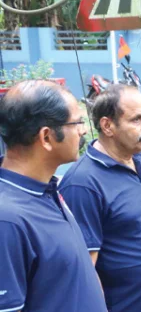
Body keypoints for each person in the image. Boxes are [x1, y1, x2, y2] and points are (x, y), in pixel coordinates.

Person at [60, 85, 141, 312]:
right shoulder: (83, 183)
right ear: (107, 125)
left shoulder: (136, 161)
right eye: (137, 120)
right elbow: (85, 273)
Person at [0, 80, 107, 312]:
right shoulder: (8, 219)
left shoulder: (47, 189)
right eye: (77, 122)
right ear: (46, 137)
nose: (84, 130)